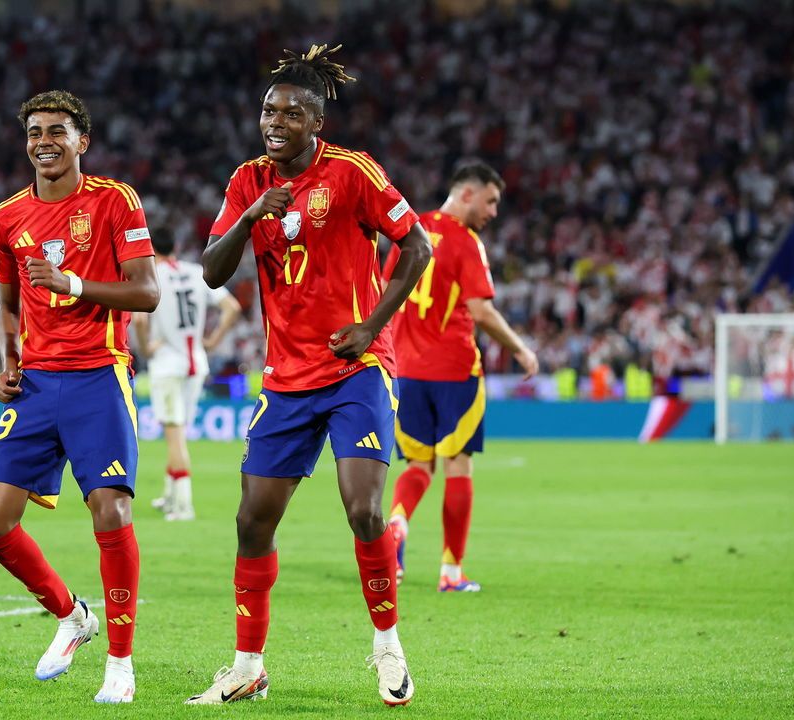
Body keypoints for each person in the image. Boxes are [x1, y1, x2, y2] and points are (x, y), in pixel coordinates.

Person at [186, 45, 432, 707]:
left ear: (314, 124)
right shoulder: (247, 182)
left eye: (291, 113)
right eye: (269, 110)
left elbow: (417, 246)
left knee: (363, 509)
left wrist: (372, 323)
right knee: (251, 522)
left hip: (357, 369)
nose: (275, 121)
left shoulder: (353, 173)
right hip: (286, 378)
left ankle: (387, 646)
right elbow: (211, 271)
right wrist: (248, 217)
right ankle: (246, 664)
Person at [0, 90, 158, 704]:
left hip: (98, 376)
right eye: (34, 132)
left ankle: (121, 664)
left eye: (58, 130)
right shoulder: (6, 218)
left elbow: (147, 293)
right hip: (35, 383)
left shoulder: (114, 201)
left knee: (111, 510)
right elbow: (8, 305)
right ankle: (71, 614)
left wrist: (75, 283)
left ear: (83, 140)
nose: (44, 142)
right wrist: (7, 365)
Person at [385, 161, 539, 592]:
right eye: (491, 201)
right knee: (458, 465)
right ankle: (451, 573)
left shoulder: (408, 230)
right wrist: (520, 349)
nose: (494, 211)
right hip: (454, 370)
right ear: (467, 194)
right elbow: (482, 311)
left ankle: (396, 523)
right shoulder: (466, 243)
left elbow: (386, 295)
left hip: (406, 370)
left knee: (418, 463)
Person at [132, 235, 241, 521]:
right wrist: (213, 340)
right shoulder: (196, 273)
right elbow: (233, 307)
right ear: (176, 247)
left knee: (174, 437)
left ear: (152, 251)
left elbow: (141, 320)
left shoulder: (152, 275)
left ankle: (183, 505)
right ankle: (169, 495)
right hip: (197, 364)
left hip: (168, 365)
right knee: (179, 434)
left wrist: (145, 349)